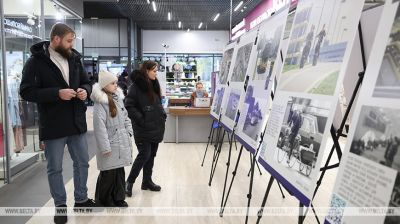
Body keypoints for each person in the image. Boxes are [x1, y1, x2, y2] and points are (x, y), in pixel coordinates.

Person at [19, 23, 96, 224]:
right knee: (55, 168)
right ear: (56, 39)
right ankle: (60, 206)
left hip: (76, 122)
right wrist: (56, 93)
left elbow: (87, 82)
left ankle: (81, 199)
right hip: (53, 124)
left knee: (82, 163)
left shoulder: (75, 58)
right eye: (69, 41)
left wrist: (85, 91)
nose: (72, 45)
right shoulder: (36, 62)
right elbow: (26, 91)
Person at [90, 70, 133, 207]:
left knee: (119, 171)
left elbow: (126, 117)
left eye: (116, 82)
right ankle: (104, 199)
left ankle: (118, 197)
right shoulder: (100, 103)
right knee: (108, 172)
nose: (116, 85)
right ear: (104, 85)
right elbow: (99, 127)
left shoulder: (118, 99)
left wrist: (129, 132)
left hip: (121, 140)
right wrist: (105, 147)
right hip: (110, 142)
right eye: (112, 83)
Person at [125, 60, 167, 197]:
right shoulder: (136, 87)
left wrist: (162, 114)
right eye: (154, 71)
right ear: (146, 71)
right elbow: (129, 106)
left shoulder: (154, 84)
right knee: (144, 155)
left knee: (151, 156)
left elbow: (157, 103)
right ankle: (129, 182)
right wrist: (142, 120)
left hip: (155, 126)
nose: (156, 73)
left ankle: (147, 181)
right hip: (143, 128)